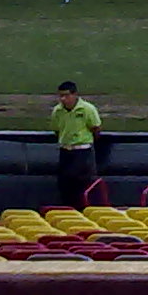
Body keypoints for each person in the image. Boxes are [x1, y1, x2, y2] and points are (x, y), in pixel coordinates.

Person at [50, 81, 101, 210]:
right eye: (61, 96)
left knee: (82, 184)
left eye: (66, 96)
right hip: (65, 151)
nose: (63, 99)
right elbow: (56, 129)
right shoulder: (57, 111)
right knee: (65, 185)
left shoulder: (87, 109)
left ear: (75, 95)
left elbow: (96, 128)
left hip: (82, 152)